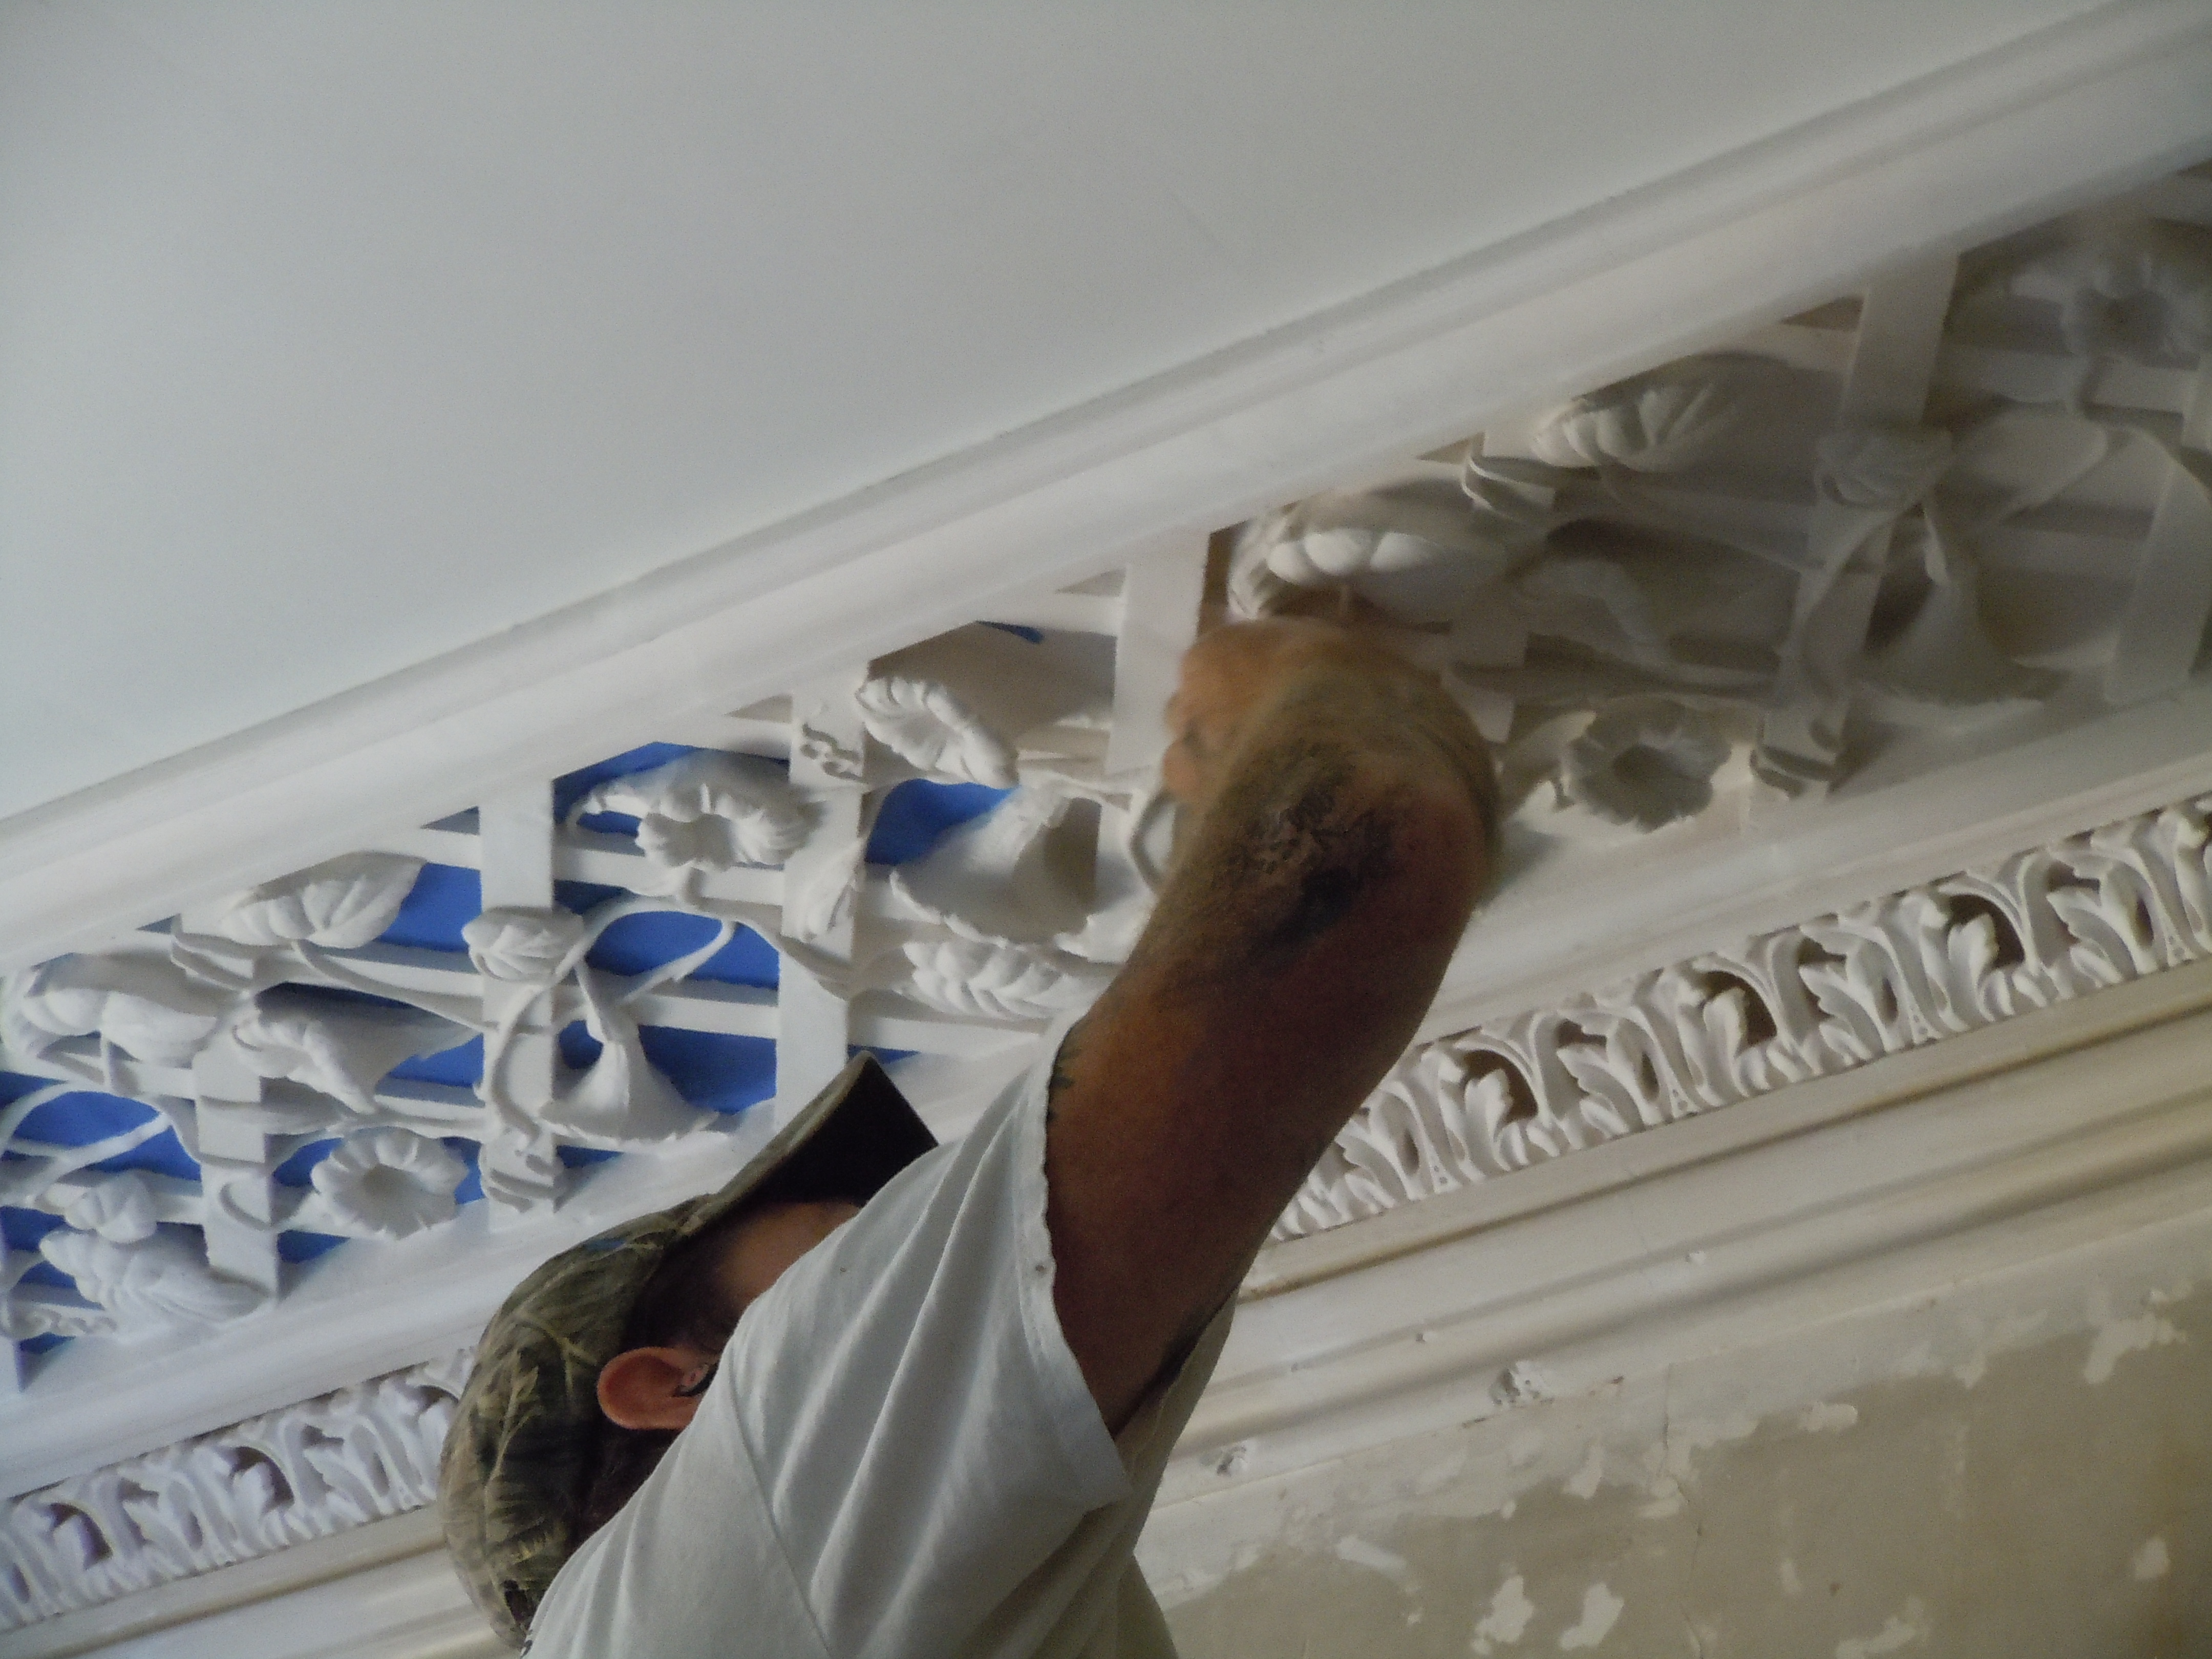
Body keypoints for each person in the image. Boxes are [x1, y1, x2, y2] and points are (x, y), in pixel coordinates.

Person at [439, 616, 1499, 1656]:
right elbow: (1368, 826)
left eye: (860, 1230)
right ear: (670, 1386)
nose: (892, 1230)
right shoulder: (710, 1586)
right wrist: (1299, 685)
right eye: (850, 1226)